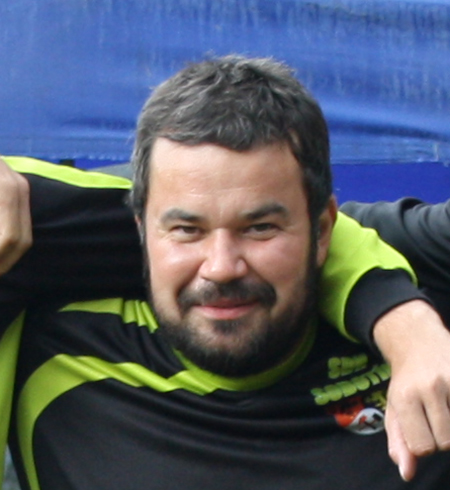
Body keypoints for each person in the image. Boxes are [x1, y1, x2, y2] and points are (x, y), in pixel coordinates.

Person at [1, 56, 449, 489]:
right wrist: (402, 318)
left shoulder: (430, 303)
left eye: (260, 227)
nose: (221, 267)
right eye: (187, 229)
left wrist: (411, 328)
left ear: (322, 232)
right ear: (139, 229)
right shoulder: (50, 316)